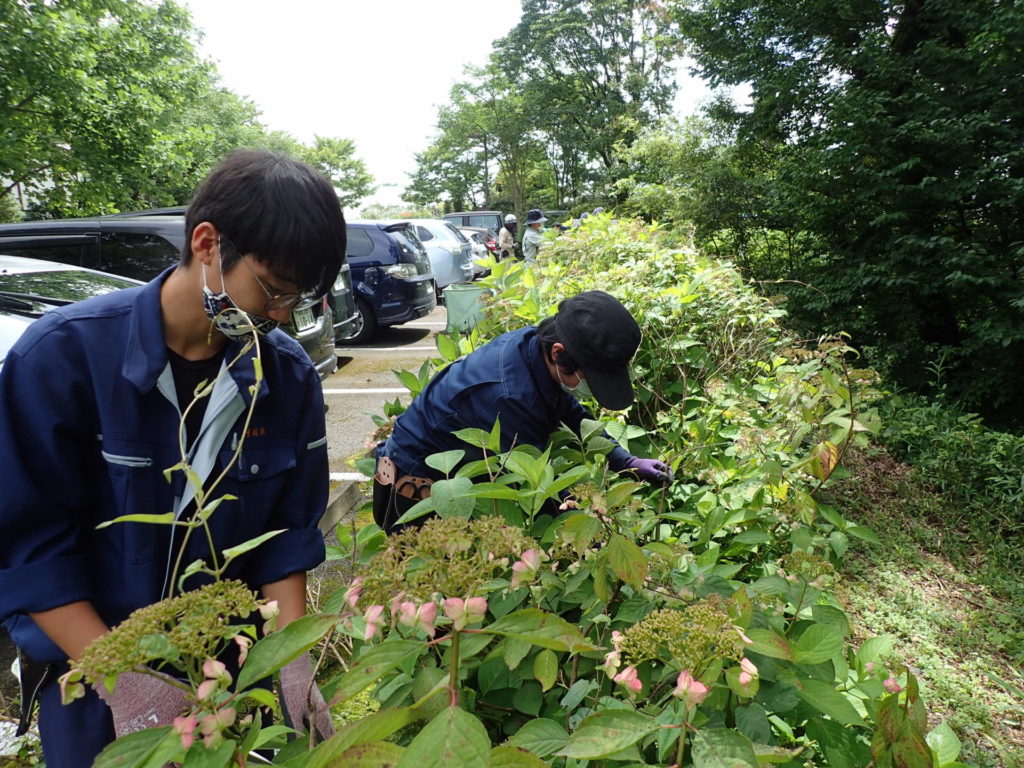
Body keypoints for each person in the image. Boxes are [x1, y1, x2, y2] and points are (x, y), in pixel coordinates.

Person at [0, 149, 346, 767]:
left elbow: (286, 538)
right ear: (208, 244)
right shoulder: (61, 359)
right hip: (90, 674)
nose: (280, 316)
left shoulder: (286, 377)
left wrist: (290, 662)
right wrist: (124, 679)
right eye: (272, 290)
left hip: (233, 670)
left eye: (296, 298)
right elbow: (31, 549)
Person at [372, 290, 672, 533]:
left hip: (457, 473)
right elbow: (534, 487)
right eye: (588, 377)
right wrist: (588, 517)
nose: (587, 387)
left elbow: (568, 409)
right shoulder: (508, 397)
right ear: (558, 352)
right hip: (417, 492)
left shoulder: (535, 345)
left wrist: (626, 460)